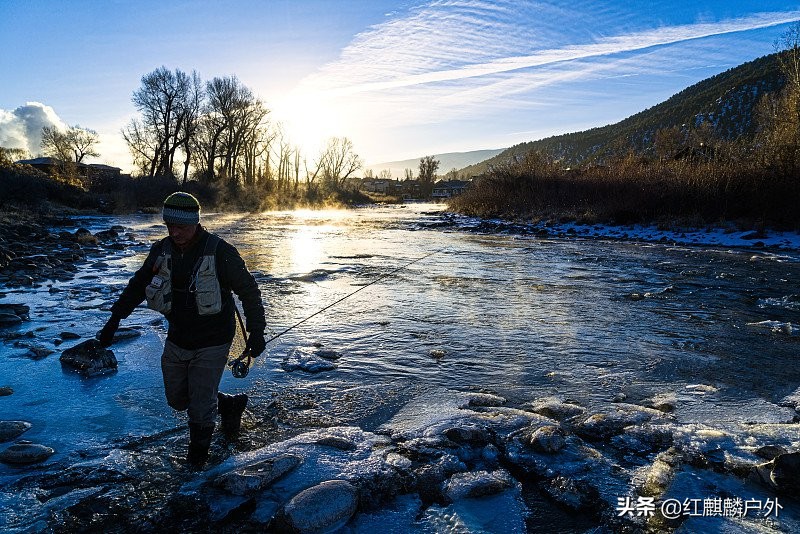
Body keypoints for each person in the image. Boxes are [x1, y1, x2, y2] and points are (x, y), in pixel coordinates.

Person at [97, 192, 266, 468]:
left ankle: (196, 465)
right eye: (169, 226)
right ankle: (227, 404)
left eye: (181, 226)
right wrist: (114, 320)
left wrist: (256, 332)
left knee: (200, 408)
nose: (174, 232)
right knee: (177, 400)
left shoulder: (221, 252)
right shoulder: (161, 250)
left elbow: (249, 291)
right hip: (178, 337)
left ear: (196, 223)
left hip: (214, 340)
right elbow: (139, 285)